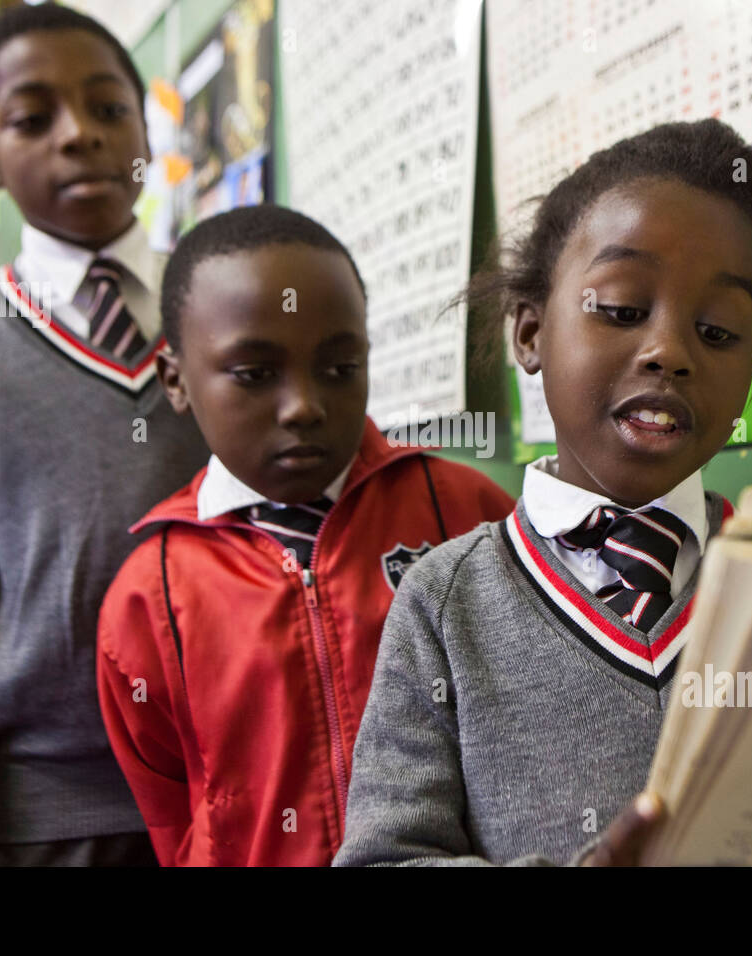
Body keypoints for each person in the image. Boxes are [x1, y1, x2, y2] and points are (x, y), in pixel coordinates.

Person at [333, 118, 752, 866]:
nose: (670, 352)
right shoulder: (444, 603)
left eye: (717, 331)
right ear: (528, 332)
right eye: (619, 309)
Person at [0, 3, 208, 866]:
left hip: (256, 788)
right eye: (34, 118)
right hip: (58, 821)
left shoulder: (233, 310)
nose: (79, 136)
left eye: (109, 110)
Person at [96, 205, 514, 865]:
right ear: (175, 380)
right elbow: (173, 815)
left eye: (340, 368)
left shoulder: (467, 513)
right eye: (256, 375)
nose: (304, 405)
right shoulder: (150, 594)